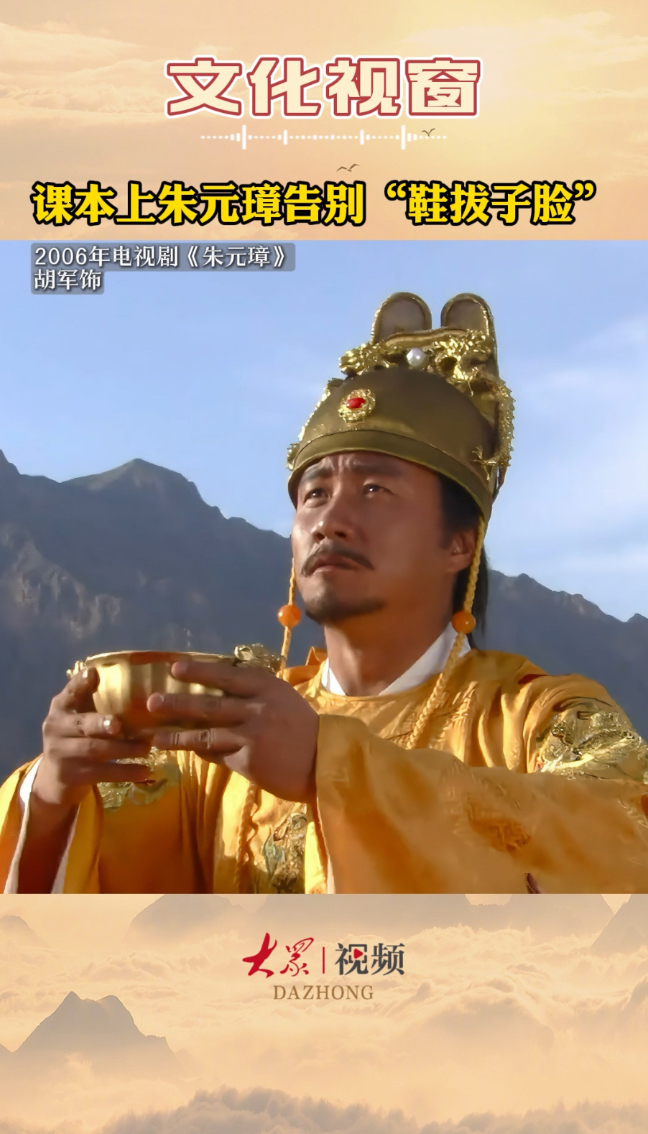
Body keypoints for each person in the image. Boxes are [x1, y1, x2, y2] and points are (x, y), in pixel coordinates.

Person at [2, 291, 648, 896]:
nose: (329, 520)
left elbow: (620, 830)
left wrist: (328, 767)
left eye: (374, 489)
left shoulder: (537, 718)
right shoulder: (228, 735)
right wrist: (54, 798)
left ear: (460, 543)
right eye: (313, 494)